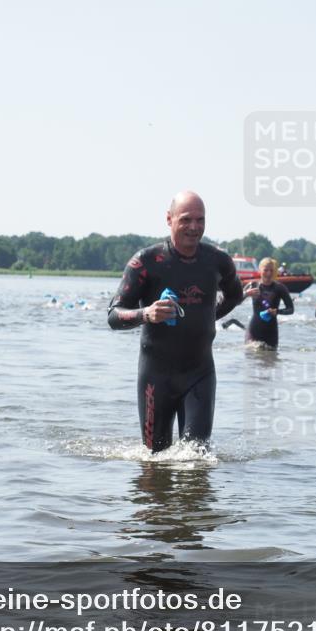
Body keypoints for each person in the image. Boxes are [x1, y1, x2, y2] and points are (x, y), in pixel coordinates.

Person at [108, 191, 244, 453]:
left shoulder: (217, 261)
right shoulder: (146, 261)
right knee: (154, 459)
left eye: (200, 220)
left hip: (200, 373)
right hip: (155, 376)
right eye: (185, 220)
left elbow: (235, 295)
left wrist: (206, 317)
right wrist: (146, 313)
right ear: (169, 219)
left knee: (196, 456)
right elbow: (114, 316)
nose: (194, 227)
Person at [244, 257, 294, 348]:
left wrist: (277, 311)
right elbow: (236, 301)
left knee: (271, 360)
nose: (269, 273)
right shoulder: (252, 285)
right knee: (251, 360)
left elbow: (291, 309)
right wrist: (246, 294)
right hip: (254, 330)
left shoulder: (280, 288)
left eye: (271, 270)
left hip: (271, 333)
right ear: (260, 270)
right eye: (266, 270)